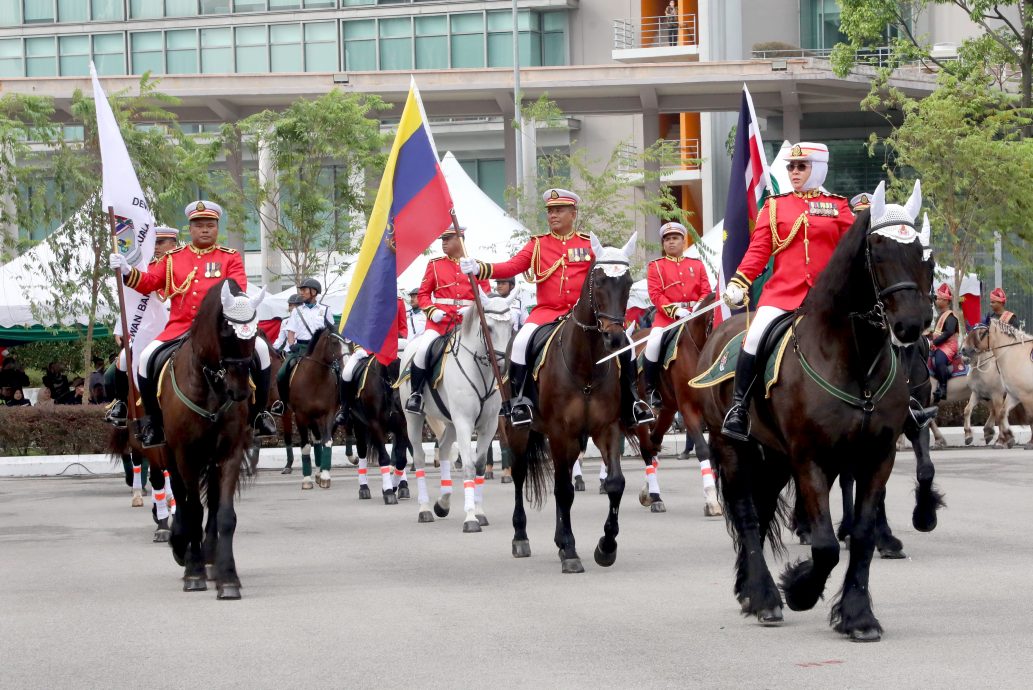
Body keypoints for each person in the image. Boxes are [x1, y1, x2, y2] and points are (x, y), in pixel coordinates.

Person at [461, 188, 653, 428]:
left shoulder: (589, 245)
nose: (553, 215)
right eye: (550, 211)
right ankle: (521, 402)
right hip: (546, 313)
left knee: (627, 346)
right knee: (520, 343)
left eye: (559, 210)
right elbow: (511, 267)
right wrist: (480, 268)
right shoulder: (537, 245)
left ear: (573, 213)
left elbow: (608, 275)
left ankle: (633, 401)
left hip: (582, 316)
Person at [109, 201, 277, 447]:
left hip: (220, 330)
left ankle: (261, 413)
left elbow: (237, 288)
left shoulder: (229, 258)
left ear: (217, 228)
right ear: (190, 229)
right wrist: (126, 270)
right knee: (145, 358)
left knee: (261, 350)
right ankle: (154, 423)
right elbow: (148, 282)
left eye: (210, 225)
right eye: (199, 226)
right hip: (180, 328)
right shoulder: (173, 258)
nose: (205, 230)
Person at [720, 142, 855, 441]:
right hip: (783, 295)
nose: (794, 172)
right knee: (754, 338)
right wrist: (739, 281)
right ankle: (739, 409)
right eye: (791, 167)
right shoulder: (775, 205)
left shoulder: (839, 207)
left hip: (829, 300)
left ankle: (902, 401)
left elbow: (853, 253)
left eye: (801, 166)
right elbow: (758, 251)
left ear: (817, 168)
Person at [405, 226, 489, 413]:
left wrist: (471, 309)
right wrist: (431, 310)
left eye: (448, 239)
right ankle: (416, 394)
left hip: (468, 323)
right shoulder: (434, 264)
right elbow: (424, 295)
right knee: (422, 350)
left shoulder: (477, 266)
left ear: (460, 239)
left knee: (492, 350)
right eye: (442, 239)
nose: (443, 243)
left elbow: (486, 297)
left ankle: (498, 394)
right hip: (439, 321)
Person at [104, 225, 181, 427]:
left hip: (178, 328)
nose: (156, 247)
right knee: (119, 364)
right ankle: (121, 404)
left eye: (160, 243)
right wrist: (120, 330)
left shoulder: (183, 266)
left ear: (174, 244)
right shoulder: (144, 269)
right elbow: (129, 303)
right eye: (153, 243)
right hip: (146, 330)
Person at [642, 221, 711, 406]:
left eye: (675, 238)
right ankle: (651, 390)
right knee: (653, 344)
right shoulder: (656, 266)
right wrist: (675, 310)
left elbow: (706, 289)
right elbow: (656, 295)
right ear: (663, 244)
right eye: (667, 239)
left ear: (683, 241)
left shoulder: (696, 265)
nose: (671, 242)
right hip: (666, 320)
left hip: (696, 316)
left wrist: (698, 306)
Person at [275, 278, 334, 411]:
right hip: (300, 348)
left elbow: (332, 331)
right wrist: (291, 345)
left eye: (304, 290)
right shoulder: (297, 311)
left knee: (339, 371)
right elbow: (291, 332)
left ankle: (342, 406)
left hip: (320, 350)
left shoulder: (325, 310)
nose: (301, 293)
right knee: (281, 374)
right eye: (301, 290)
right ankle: (284, 403)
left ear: (314, 292)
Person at [930, 282, 960, 403]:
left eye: (939, 298)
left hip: (948, 346)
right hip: (938, 344)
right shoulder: (941, 315)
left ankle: (943, 388)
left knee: (939, 360)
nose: (936, 300)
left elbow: (948, 333)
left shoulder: (951, 317)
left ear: (946, 301)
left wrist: (935, 343)